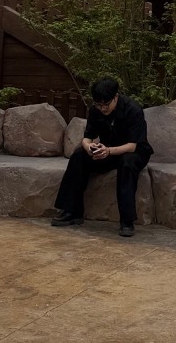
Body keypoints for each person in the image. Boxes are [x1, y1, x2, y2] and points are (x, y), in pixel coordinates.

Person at [51, 78, 153, 238]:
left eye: (106, 104)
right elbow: (87, 138)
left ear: (116, 97)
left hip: (134, 152)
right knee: (78, 155)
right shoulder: (95, 110)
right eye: (99, 104)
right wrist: (90, 148)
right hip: (107, 149)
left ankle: (127, 221)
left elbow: (132, 146)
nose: (103, 108)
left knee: (127, 163)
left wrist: (108, 151)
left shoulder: (133, 109)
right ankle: (71, 211)